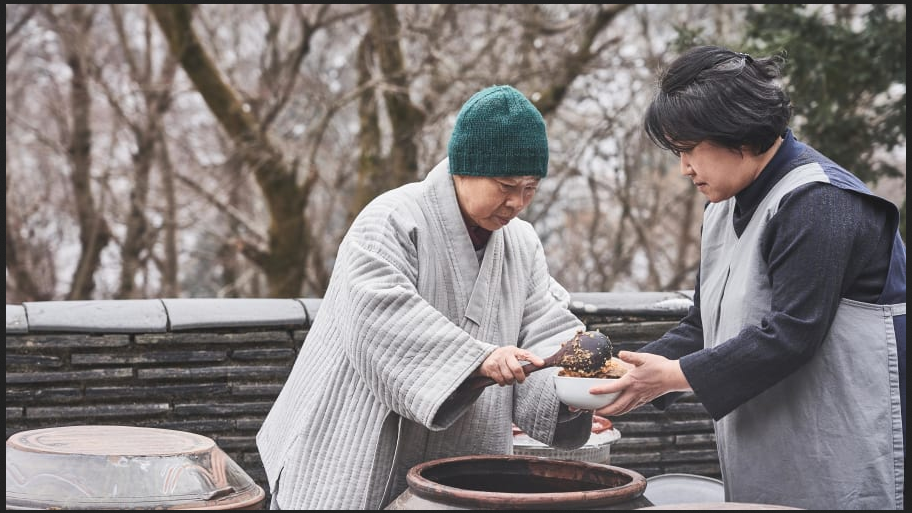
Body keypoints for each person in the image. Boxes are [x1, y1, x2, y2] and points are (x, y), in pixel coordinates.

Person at [592, 45, 905, 509]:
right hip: (768, 455)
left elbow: (793, 333)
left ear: (736, 132)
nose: (684, 168)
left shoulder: (820, 201)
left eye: (688, 150)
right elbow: (702, 328)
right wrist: (611, 378)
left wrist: (670, 377)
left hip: (845, 457)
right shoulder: (721, 207)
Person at [256, 85, 594, 509]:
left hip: (460, 460)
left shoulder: (522, 244)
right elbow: (379, 321)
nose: (517, 203)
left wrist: (573, 386)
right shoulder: (391, 219)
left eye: (530, 188)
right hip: (352, 447)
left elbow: (546, 326)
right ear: (464, 168)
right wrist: (481, 361)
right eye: (506, 185)